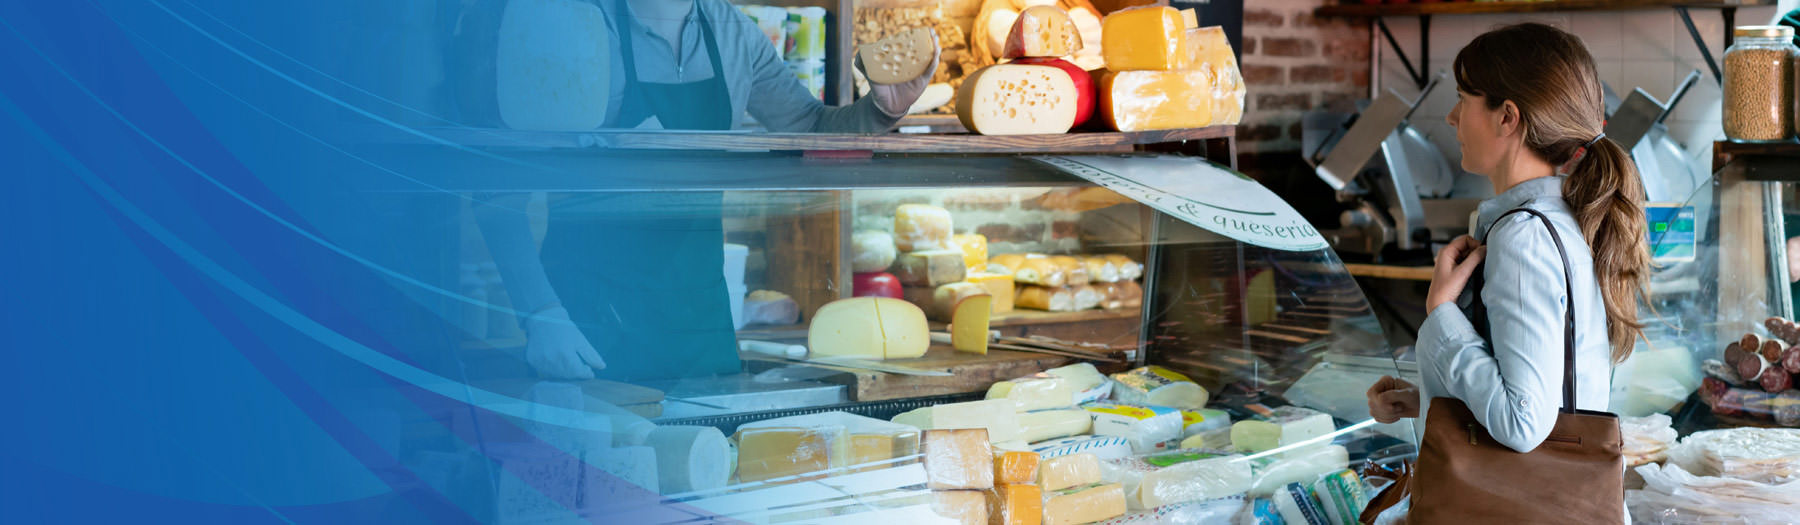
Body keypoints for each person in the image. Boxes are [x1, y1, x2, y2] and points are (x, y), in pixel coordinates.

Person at [469, 0, 938, 379]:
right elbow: (500, 185)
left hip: (699, 320)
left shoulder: (732, 31)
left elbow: (811, 130)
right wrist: (541, 312)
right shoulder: (575, 24)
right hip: (592, 324)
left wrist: (881, 111)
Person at [1365, 22, 1648, 467]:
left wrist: (1441, 312)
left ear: (1507, 117)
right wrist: (1427, 399)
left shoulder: (1524, 239)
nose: (1452, 117)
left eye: (1463, 99)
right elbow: (1545, 400)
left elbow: (1523, 423)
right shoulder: (1551, 221)